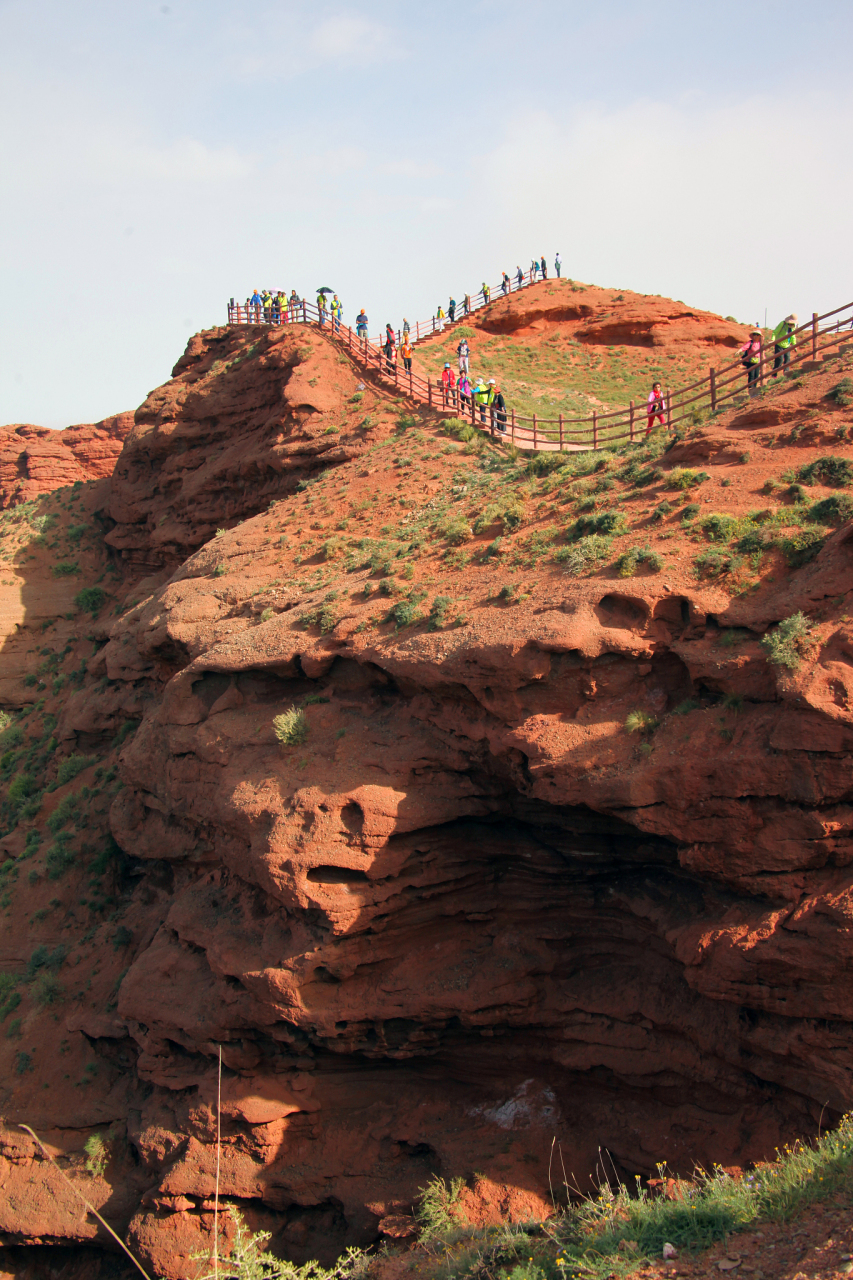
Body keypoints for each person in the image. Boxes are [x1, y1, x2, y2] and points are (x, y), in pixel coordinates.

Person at [739, 329, 763, 393]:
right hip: (750, 362)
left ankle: (754, 389)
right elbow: (744, 347)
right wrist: (739, 350)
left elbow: (762, 353)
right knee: (751, 375)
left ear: (759, 336)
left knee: (756, 376)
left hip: (757, 362)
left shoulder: (760, 344)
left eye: (757, 335)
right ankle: (750, 389)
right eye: (754, 334)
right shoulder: (750, 342)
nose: (756, 336)